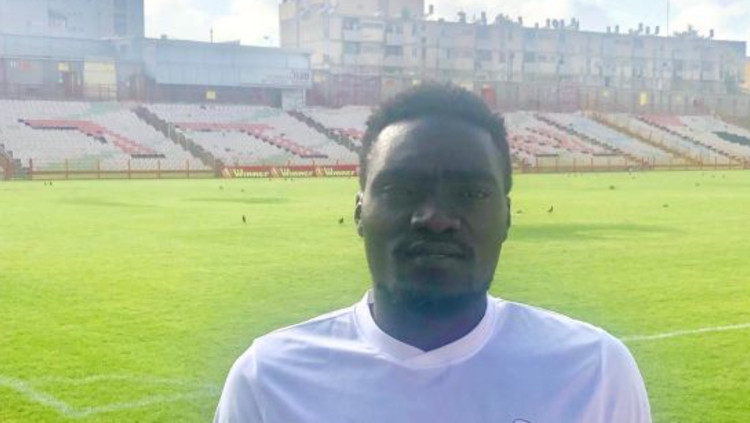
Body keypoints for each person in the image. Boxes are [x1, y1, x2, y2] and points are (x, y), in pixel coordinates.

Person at [214, 83, 651, 422]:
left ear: (507, 217)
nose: (436, 218)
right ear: (359, 212)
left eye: (471, 193)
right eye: (401, 190)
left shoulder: (594, 372)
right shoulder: (267, 382)